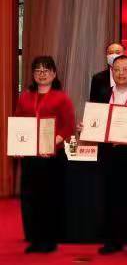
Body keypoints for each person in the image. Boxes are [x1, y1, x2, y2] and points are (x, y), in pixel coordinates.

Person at [83, 55, 127, 255]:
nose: (121, 73)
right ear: (111, 72)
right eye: (117, 70)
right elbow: (96, 120)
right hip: (109, 155)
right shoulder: (103, 93)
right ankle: (112, 241)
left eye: (125, 69)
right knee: (109, 198)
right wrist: (87, 128)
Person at [15, 56, 75, 253]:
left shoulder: (62, 98)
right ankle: (34, 238)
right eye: (37, 70)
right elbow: (18, 124)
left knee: (49, 198)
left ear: (54, 73)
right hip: (30, 157)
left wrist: (52, 143)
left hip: (52, 156)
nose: (42, 74)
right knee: (31, 198)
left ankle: (49, 240)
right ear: (33, 74)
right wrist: (18, 146)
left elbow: (68, 127)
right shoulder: (25, 97)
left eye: (46, 70)